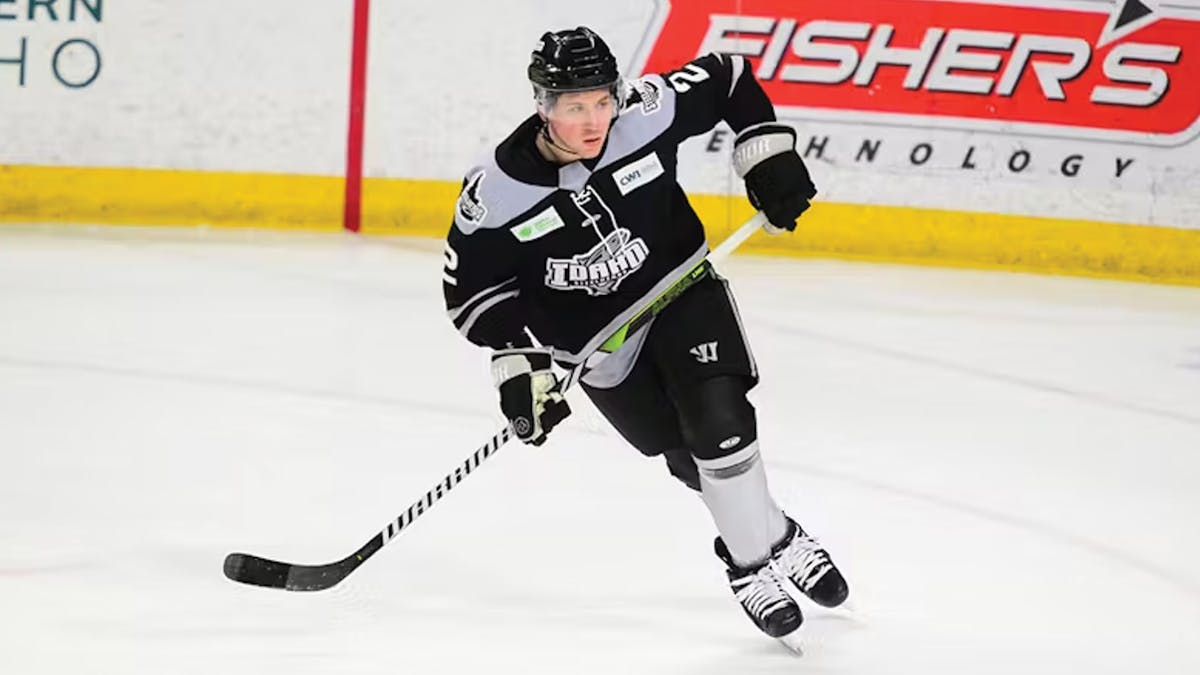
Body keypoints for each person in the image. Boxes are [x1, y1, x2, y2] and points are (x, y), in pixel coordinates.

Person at [442, 26, 848, 643]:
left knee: (721, 423)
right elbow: (473, 295)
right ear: (542, 105)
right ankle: (778, 536)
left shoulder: (644, 115)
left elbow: (729, 78)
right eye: (575, 107)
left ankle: (746, 567)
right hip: (600, 352)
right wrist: (520, 366)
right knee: (689, 459)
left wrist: (765, 156)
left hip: (683, 293)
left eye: (602, 100)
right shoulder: (495, 194)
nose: (593, 120)